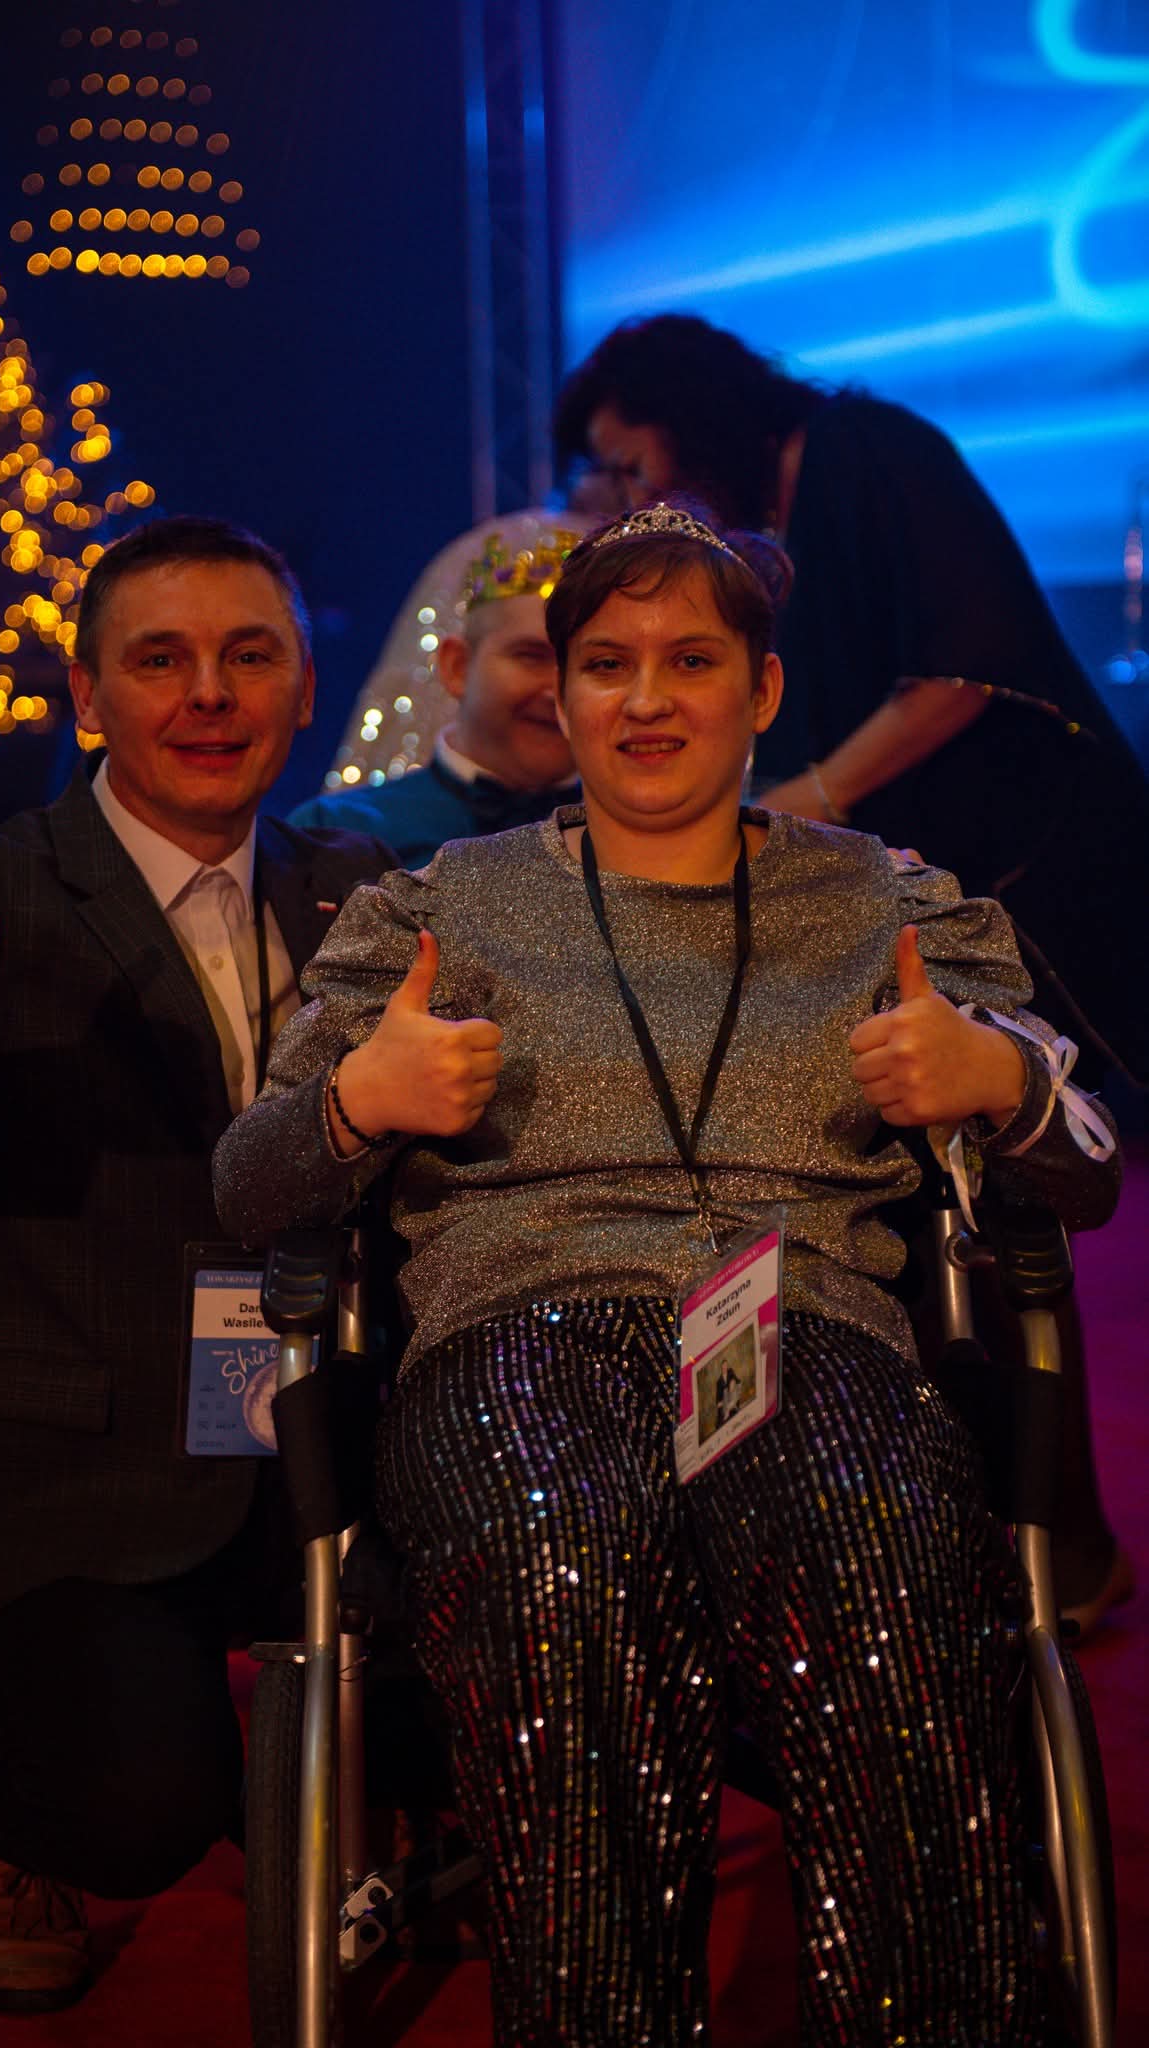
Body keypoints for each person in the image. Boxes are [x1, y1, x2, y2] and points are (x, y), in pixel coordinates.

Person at [215, 500, 1119, 2045]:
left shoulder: (890, 902)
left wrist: (998, 1079)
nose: (646, 700)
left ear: (761, 690)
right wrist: (362, 1102)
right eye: (606, 663)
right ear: (559, 693)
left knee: (884, 1554)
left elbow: (1086, 1173)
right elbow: (248, 1185)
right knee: (564, 1557)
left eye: (690, 661)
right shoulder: (435, 912)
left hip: (807, 1326)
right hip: (515, 1330)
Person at [0, 517, 394, 2014]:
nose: (209, 694)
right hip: (75, 1471)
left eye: (248, 655)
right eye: (161, 659)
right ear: (87, 695)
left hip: (324, 1448)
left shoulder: (361, 888)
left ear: (304, 686)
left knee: (481, 1730)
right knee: (136, 1809)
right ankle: (20, 1830)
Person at [555, 310, 1144, 1631]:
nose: (634, 492)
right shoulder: (772, 513)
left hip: (1033, 871)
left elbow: (958, 671)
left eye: (634, 461)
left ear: (689, 414)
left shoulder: (868, 447)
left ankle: (1061, 1543)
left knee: (1006, 1189)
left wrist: (801, 802)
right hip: (923, 876)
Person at [288, 521, 582, 862]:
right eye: (531, 656)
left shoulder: (624, 836)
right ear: (457, 666)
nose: (556, 690)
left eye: (587, 664)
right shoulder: (334, 832)